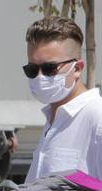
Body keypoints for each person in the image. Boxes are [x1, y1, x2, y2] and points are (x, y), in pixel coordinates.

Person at [24, 16, 102, 182]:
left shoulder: (97, 117)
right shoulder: (53, 116)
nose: (39, 77)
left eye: (49, 68)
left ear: (77, 69)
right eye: (31, 69)